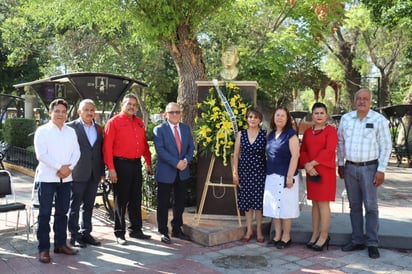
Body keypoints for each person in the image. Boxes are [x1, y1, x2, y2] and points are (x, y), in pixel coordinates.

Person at [337, 88, 392, 259]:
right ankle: (357, 240)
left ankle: (372, 243)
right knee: (354, 206)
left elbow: (386, 146)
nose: (362, 101)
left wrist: (381, 170)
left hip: (370, 169)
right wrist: (340, 163)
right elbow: (340, 142)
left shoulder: (379, 120)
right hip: (350, 167)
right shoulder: (346, 119)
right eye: (358, 98)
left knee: (371, 206)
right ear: (354, 101)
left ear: (371, 101)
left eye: (365, 98)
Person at [34, 99, 81, 263]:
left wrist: (69, 168)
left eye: (63, 111)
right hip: (47, 178)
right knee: (45, 214)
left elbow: (77, 152)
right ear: (50, 112)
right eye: (57, 111)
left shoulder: (71, 131)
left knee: (62, 213)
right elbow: (41, 155)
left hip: (66, 179)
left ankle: (61, 244)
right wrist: (60, 167)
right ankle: (44, 249)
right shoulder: (42, 131)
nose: (61, 114)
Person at [103, 94, 152, 245]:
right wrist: (111, 169)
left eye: (134, 104)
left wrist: (148, 162)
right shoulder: (114, 122)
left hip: (136, 164)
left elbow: (143, 144)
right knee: (121, 200)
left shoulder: (139, 122)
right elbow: (107, 148)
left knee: (136, 199)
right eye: (128, 104)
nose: (131, 106)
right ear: (122, 105)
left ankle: (136, 230)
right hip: (121, 165)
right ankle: (119, 232)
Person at [153, 102, 195, 244]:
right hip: (166, 172)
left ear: (181, 114)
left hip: (182, 171)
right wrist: (175, 163)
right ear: (165, 114)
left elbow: (191, 147)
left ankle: (177, 229)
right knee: (163, 203)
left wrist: (185, 160)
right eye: (171, 112)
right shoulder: (159, 130)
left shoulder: (185, 128)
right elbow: (161, 150)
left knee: (180, 203)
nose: (175, 114)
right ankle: (163, 231)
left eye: (177, 112)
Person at [299, 102, 338, 251]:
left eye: (322, 113)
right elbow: (303, 151)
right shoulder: (308, 132)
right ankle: (315, 233)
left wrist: (312, 164)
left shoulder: (331, 131)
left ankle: (324, 235)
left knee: (323, 203)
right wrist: (308, 165)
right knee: (314, 203)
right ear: (312, 115)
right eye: (316, 113)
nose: (319, 116)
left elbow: (329, 150)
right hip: (311, 171)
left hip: (324, 170)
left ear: (326, 114)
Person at [67, 99, 105, 248]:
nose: (89, 113)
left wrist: (102, 173)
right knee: (75, 205)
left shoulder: (99, 129)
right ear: (79, 112)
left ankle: (86, 233)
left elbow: (100, 152)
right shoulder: (71, 127)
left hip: (94, 174)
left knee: (89, 205)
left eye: (92, 110)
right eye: (86, 110)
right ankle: (74, 235)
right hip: (77, 173)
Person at [263, 106, 300, 249]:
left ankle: (286, 236)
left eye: (282, 116)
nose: (279, 118)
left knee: (286, 208)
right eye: (277, 115)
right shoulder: (271, 135)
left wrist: (289, 176)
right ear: (274, 118)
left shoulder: (291, 135)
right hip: (272, 175)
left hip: (286, 177)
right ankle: (277, 235)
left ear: (287, 119)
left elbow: (295, 156)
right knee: (274, 208)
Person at [232, 109, 266, 243]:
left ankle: (259, 231)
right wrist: (235, 173)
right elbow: (236, 154)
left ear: (260, 120)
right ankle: (249, 230)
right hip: (245, 172)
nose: (253, 119)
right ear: (247, 119)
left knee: (258, 203)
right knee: (247, 203)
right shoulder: (241, 134)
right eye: (250, 117)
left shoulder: (264, 134)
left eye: (256, 117)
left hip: (259, 172)